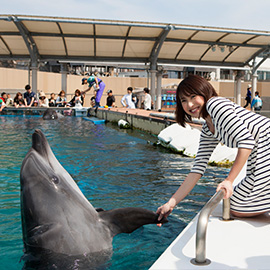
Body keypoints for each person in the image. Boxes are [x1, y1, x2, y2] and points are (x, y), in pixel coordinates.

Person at [157, 75, 270, 223]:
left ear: (204, 92)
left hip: (265, 148)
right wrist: (171, 203)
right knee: (233, 203)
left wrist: (229, 180)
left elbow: (246, 141)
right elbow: (198, 169)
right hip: (260, 153)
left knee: (236, 206)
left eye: (193, 96)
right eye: (183, 100)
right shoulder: (208, 128)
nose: (190, 104)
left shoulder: (215, 105)